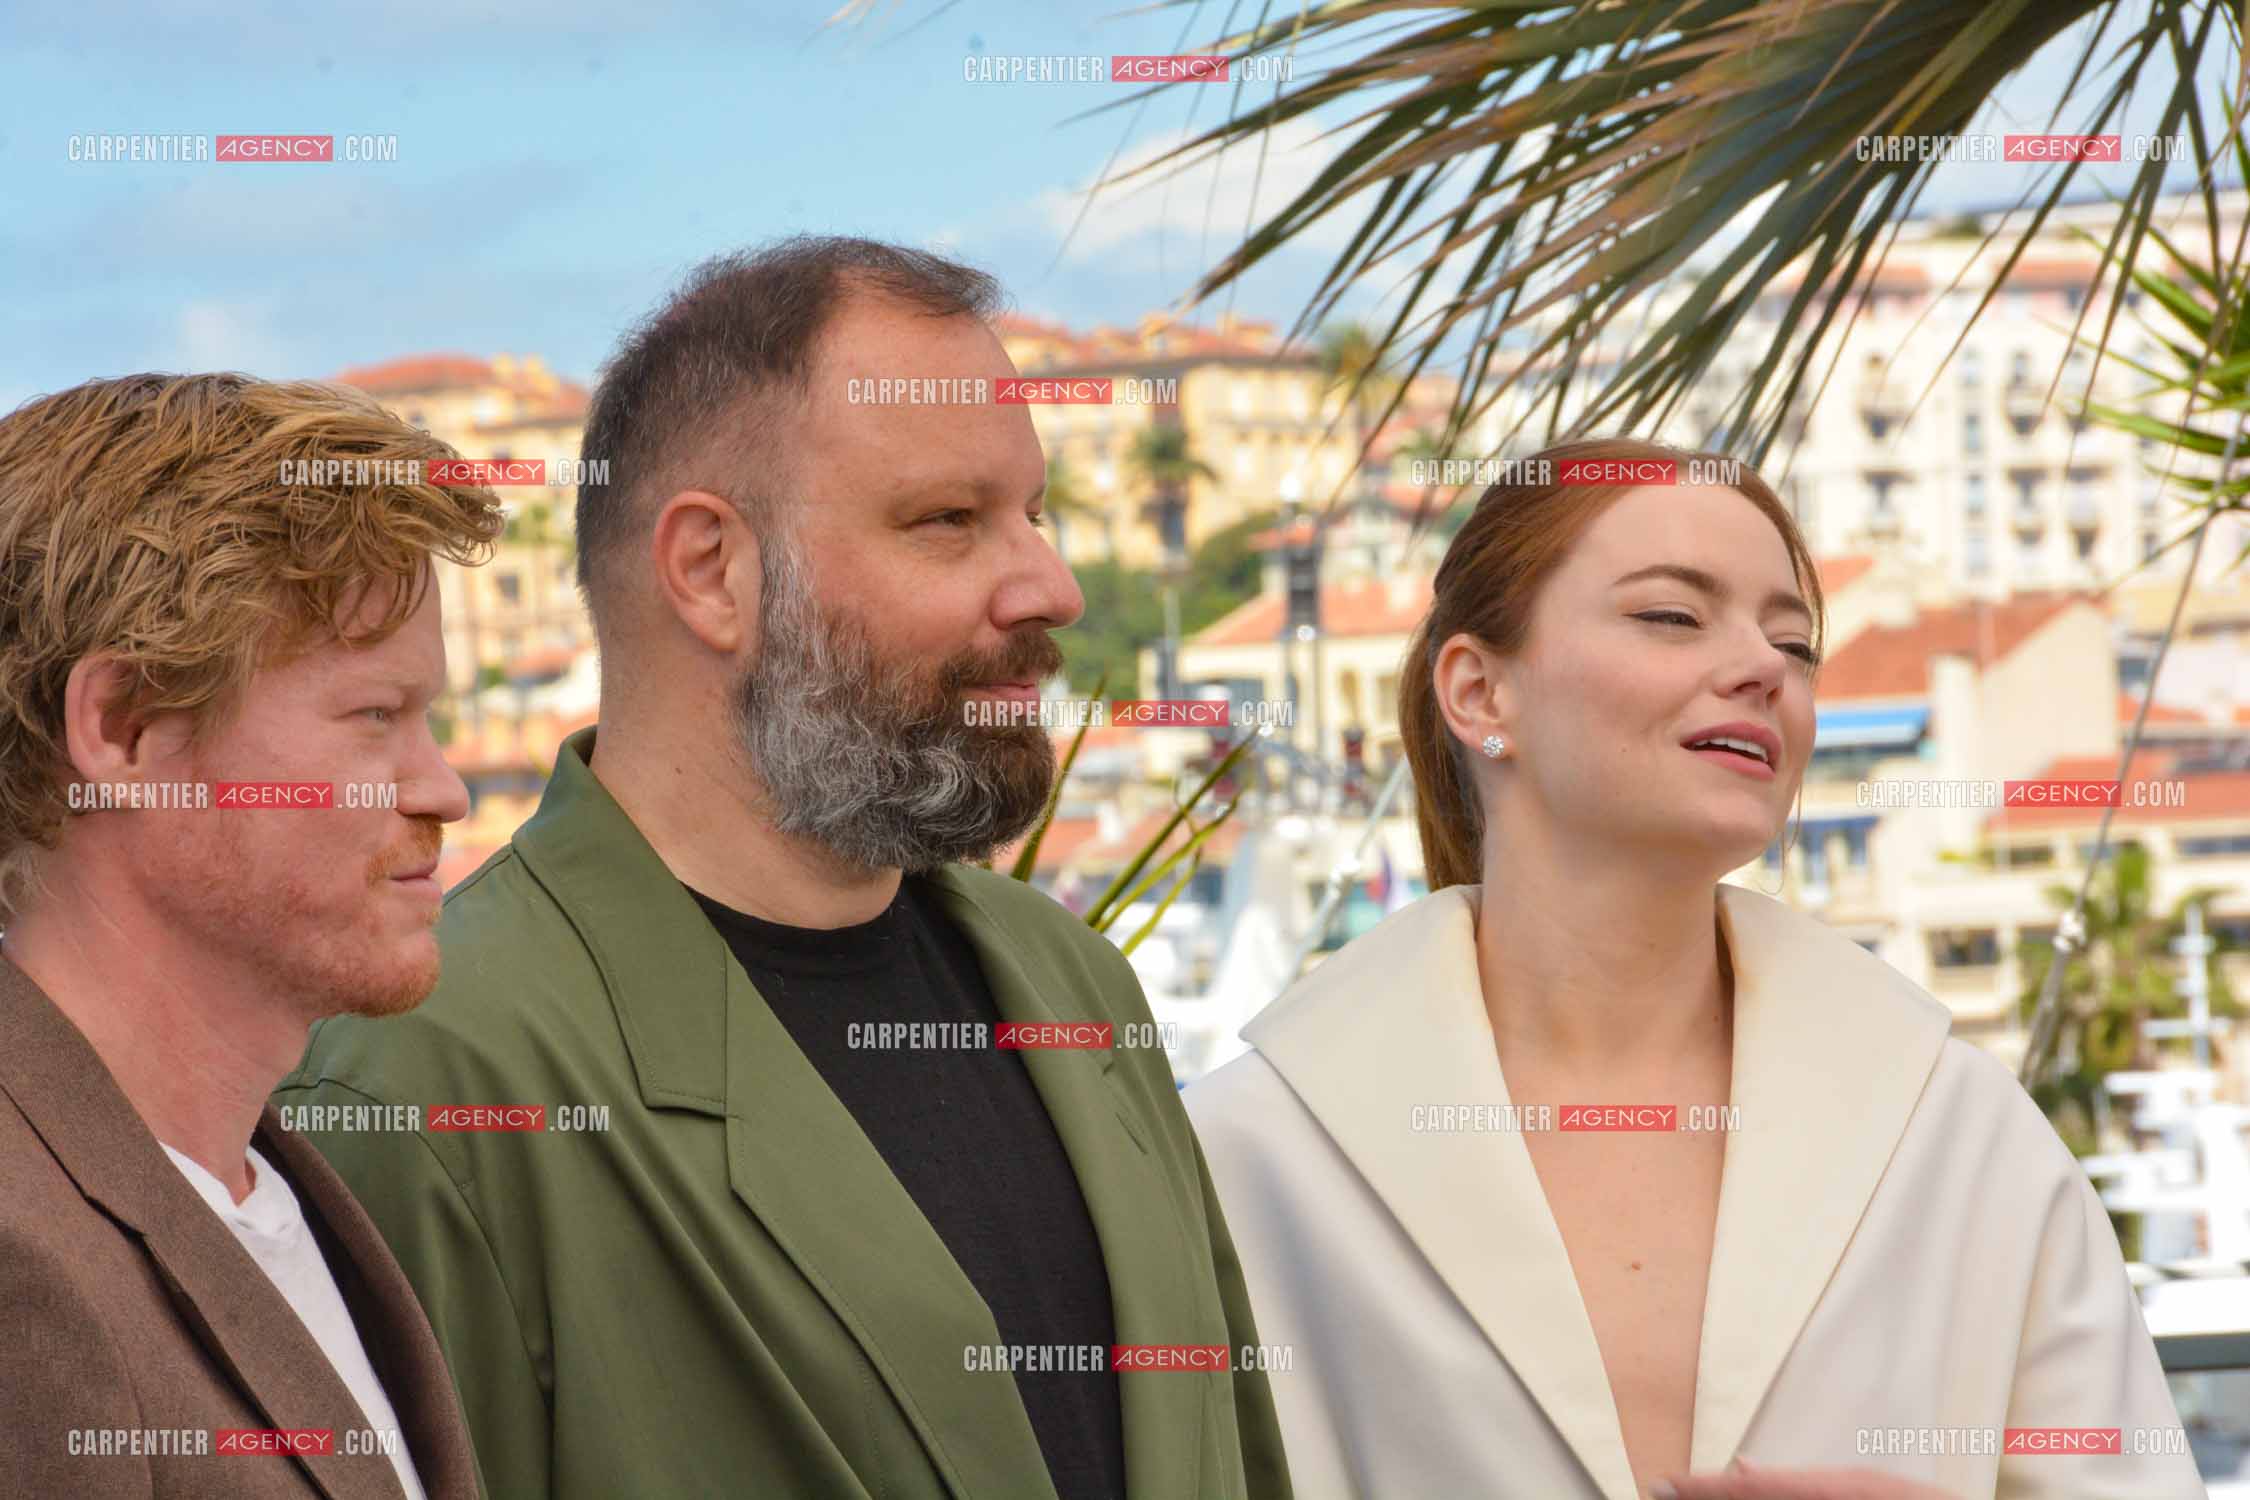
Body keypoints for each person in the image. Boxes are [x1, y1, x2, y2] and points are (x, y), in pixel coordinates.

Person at [277, 237, 1294, 1500]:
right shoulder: (423, 1081)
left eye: (1034, 514)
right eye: (949, 522)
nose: (1053, 586)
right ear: (712, 571)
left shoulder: (1077, 985)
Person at [1183, 437, 2202, 1500]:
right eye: (1672, 615)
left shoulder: (1959, 1133)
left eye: (1796, 643)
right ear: (1480, 692)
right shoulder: (1254, 1152)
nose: (1765, 667)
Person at [0, 373, 502, 1498]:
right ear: (125, 728)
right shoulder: (19, 1261)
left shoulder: (267, 1188)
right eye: (376, 716)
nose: (444, 789)